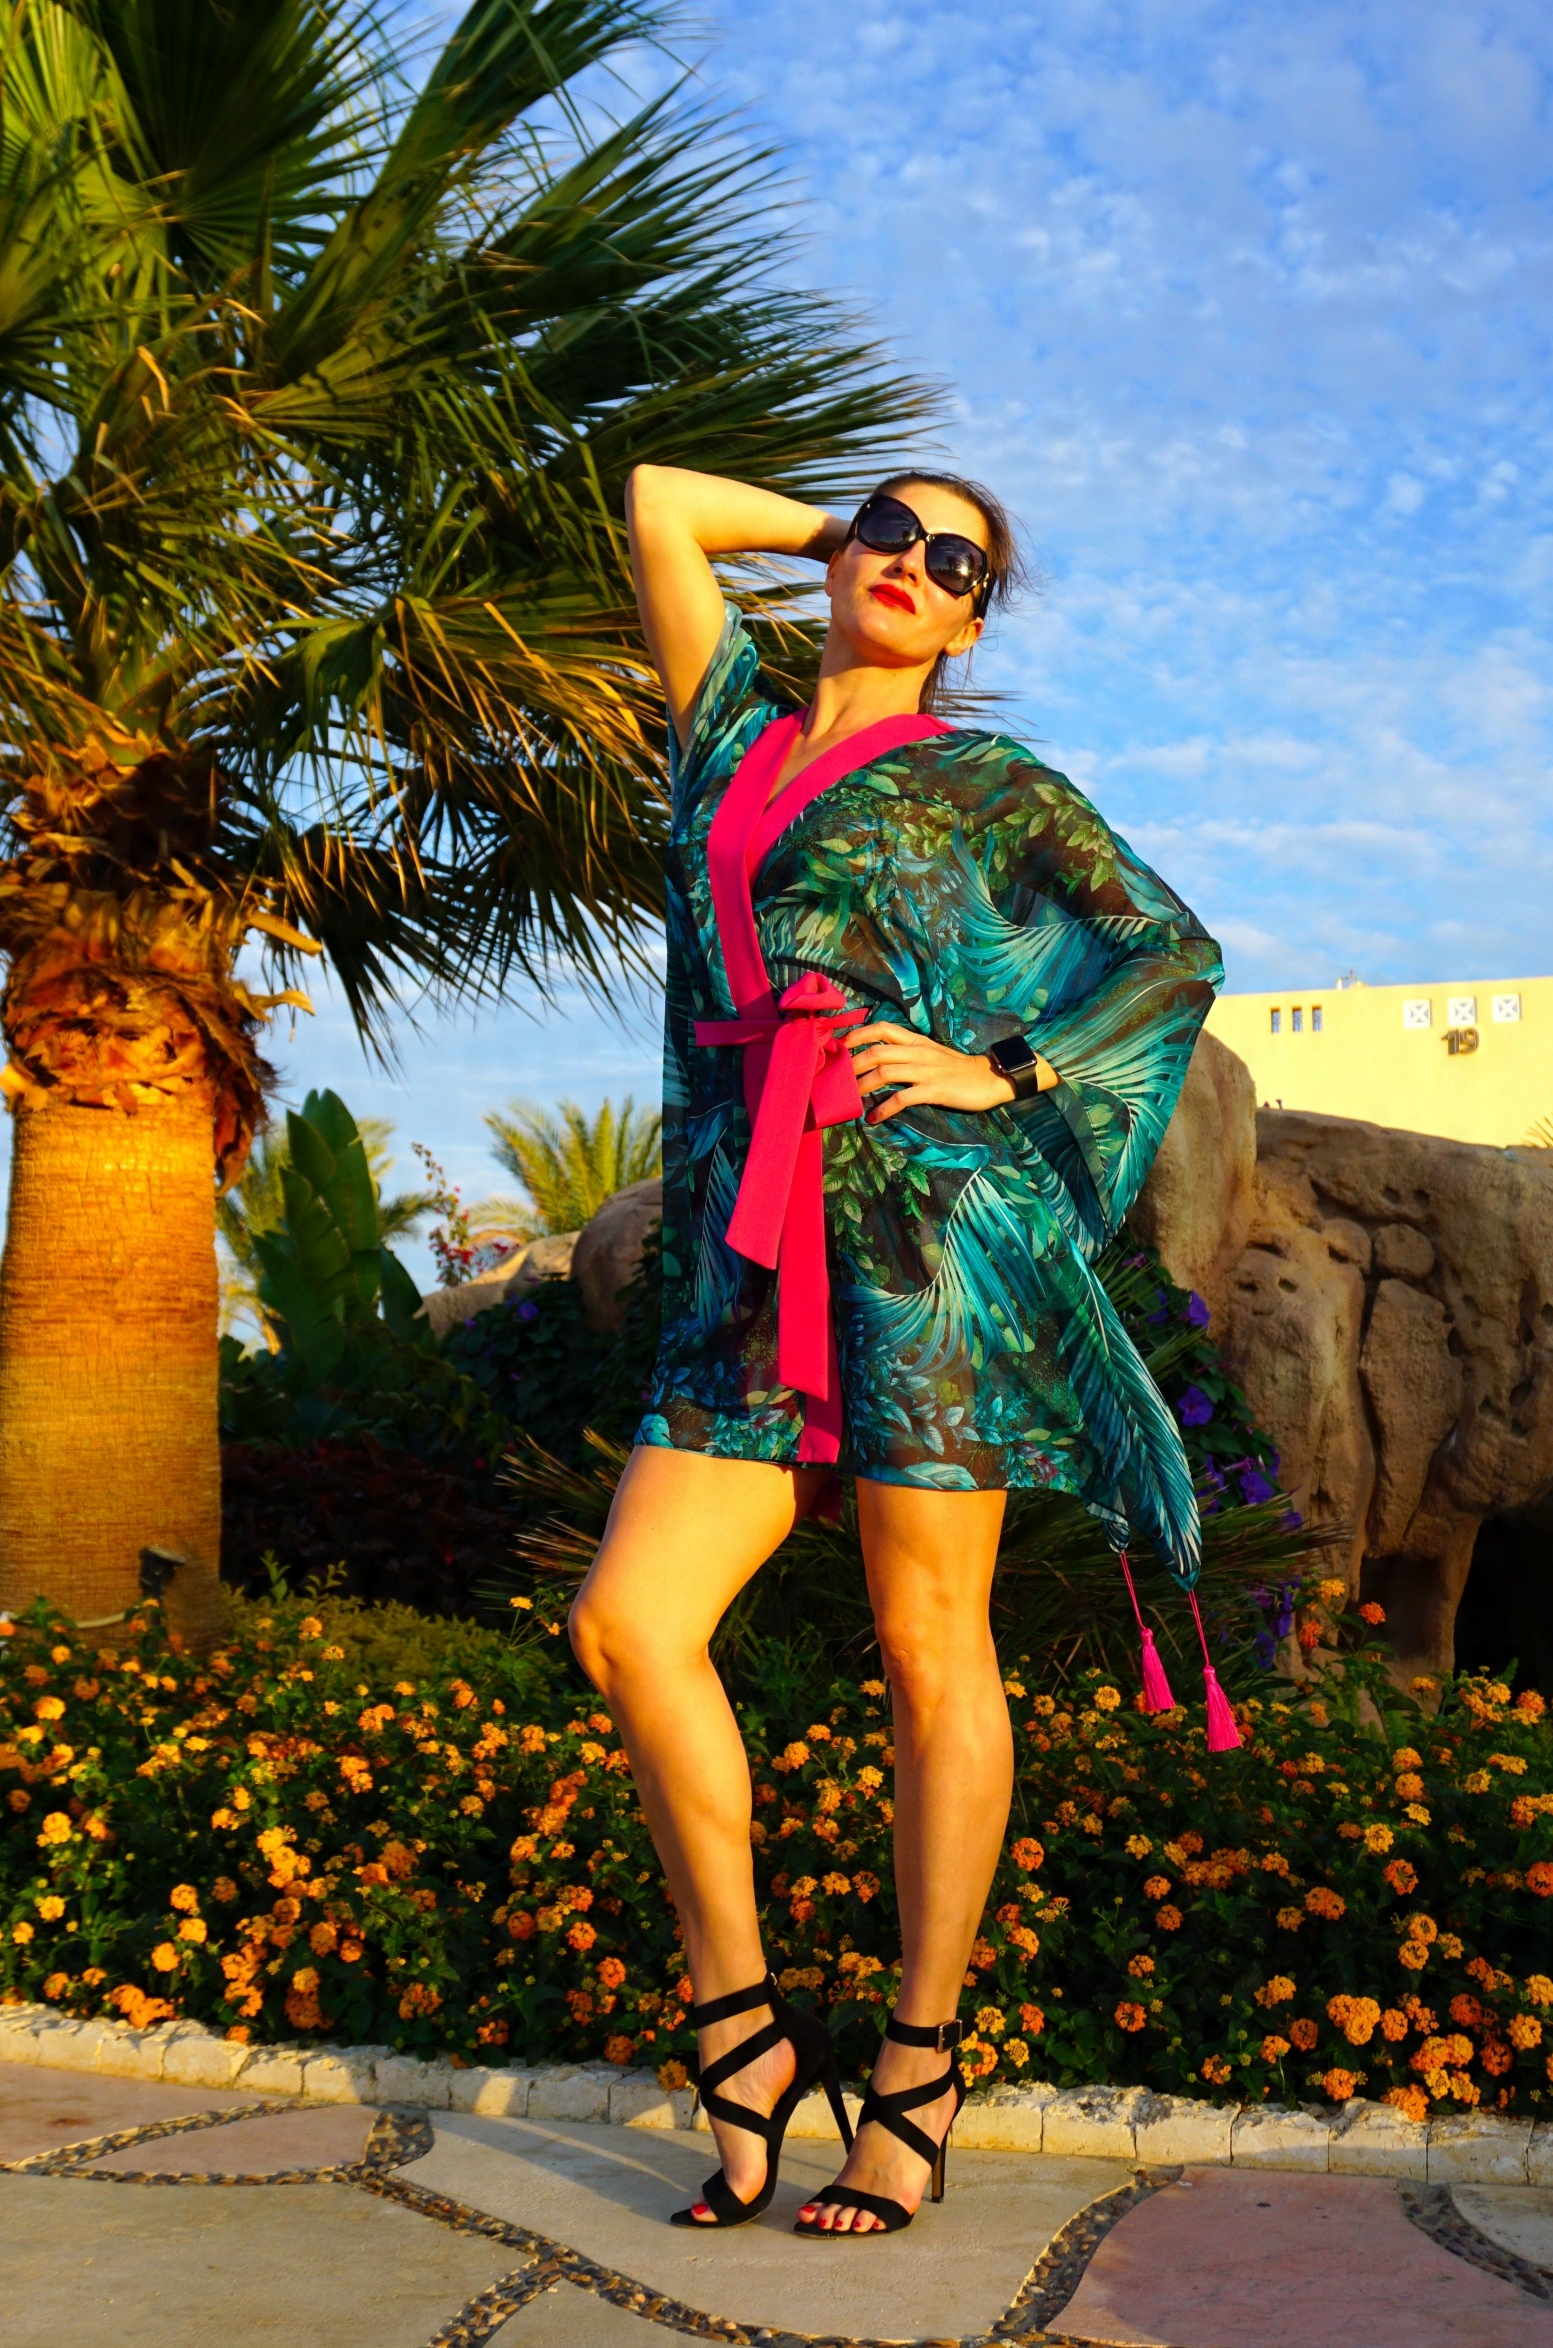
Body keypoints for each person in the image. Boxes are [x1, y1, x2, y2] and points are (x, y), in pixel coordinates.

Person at [569, 465, 1222, 2238]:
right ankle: (743, 2022)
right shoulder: (730, 730)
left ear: (978, 621)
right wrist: (834, 537)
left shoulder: (993, 784)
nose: (913, 568)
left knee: (933, 1647)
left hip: (922, 1239)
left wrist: (998, 1071)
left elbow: (1169, 953)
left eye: (957, 565)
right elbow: (658, 502)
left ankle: (919, 2066)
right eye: (892, 532)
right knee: (630, 1622)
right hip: (741, 1236)